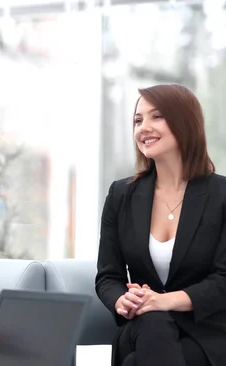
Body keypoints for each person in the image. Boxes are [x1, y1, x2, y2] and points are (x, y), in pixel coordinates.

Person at [95, 84, 226, 366]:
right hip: (142, 326)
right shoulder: (121, 195)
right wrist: (121, 301)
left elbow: (223, 280)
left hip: (206, 331)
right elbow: (108, 276)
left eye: (157, 117)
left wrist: (165, 300)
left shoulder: (221, 196)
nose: (144, 128)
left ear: (185, 123)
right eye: (138, 120)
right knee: (153, 323)